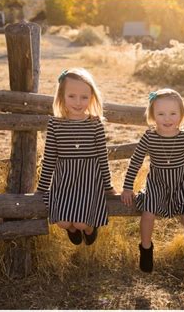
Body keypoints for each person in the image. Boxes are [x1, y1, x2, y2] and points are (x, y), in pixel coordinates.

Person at [121, 88, 184, 281]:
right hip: (157, 183)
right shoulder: (149, 137)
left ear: (182, 115)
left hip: (182, 183)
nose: (167, 118)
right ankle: (146, 249)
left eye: (173, 113)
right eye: (161, 114)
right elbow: (135, 161)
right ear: (152, 115)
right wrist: (127, 187)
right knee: (148, 214)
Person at [36, 68, 115, 246]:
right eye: (72, 96)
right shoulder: (55, 124)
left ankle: (90, 229)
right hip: (65, 181)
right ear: (61, 96)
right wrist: (42, 188)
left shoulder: (94, 124)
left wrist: (108, 187)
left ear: (92, 98)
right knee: (63, 223)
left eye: (84, 97)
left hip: (89, 181)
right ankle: (72, 230)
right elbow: (49, 158)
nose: (78, 102)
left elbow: (103, 158)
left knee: (81, 222)